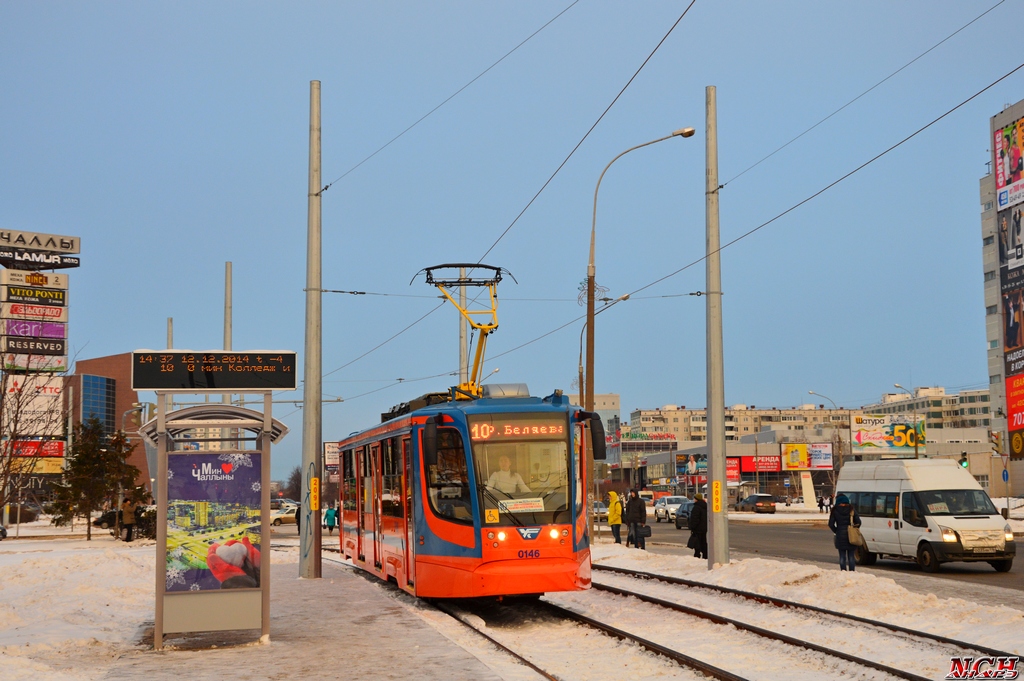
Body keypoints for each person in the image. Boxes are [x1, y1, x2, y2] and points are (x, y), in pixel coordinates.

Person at [827, 494, 862, 571]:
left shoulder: (835, 510)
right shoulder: (851, 509)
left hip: (840, 534)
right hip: (851, 535)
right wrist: (853, 529)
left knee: (842, 556)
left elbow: (830, 524)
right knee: (851, 556)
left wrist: (836, 530)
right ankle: (852, 572)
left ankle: (843, 571)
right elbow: (858, 522)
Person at [688, 493, 708, 559]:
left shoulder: (696, 508)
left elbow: (695, 519)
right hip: (704, 529)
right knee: (703, 542)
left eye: (694, 498)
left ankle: (697, 555)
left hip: (697, 529)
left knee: (697, 543)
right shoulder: (705, 506)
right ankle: (705, 555)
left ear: (696, 499)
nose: (694, 500)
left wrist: (692, 527)